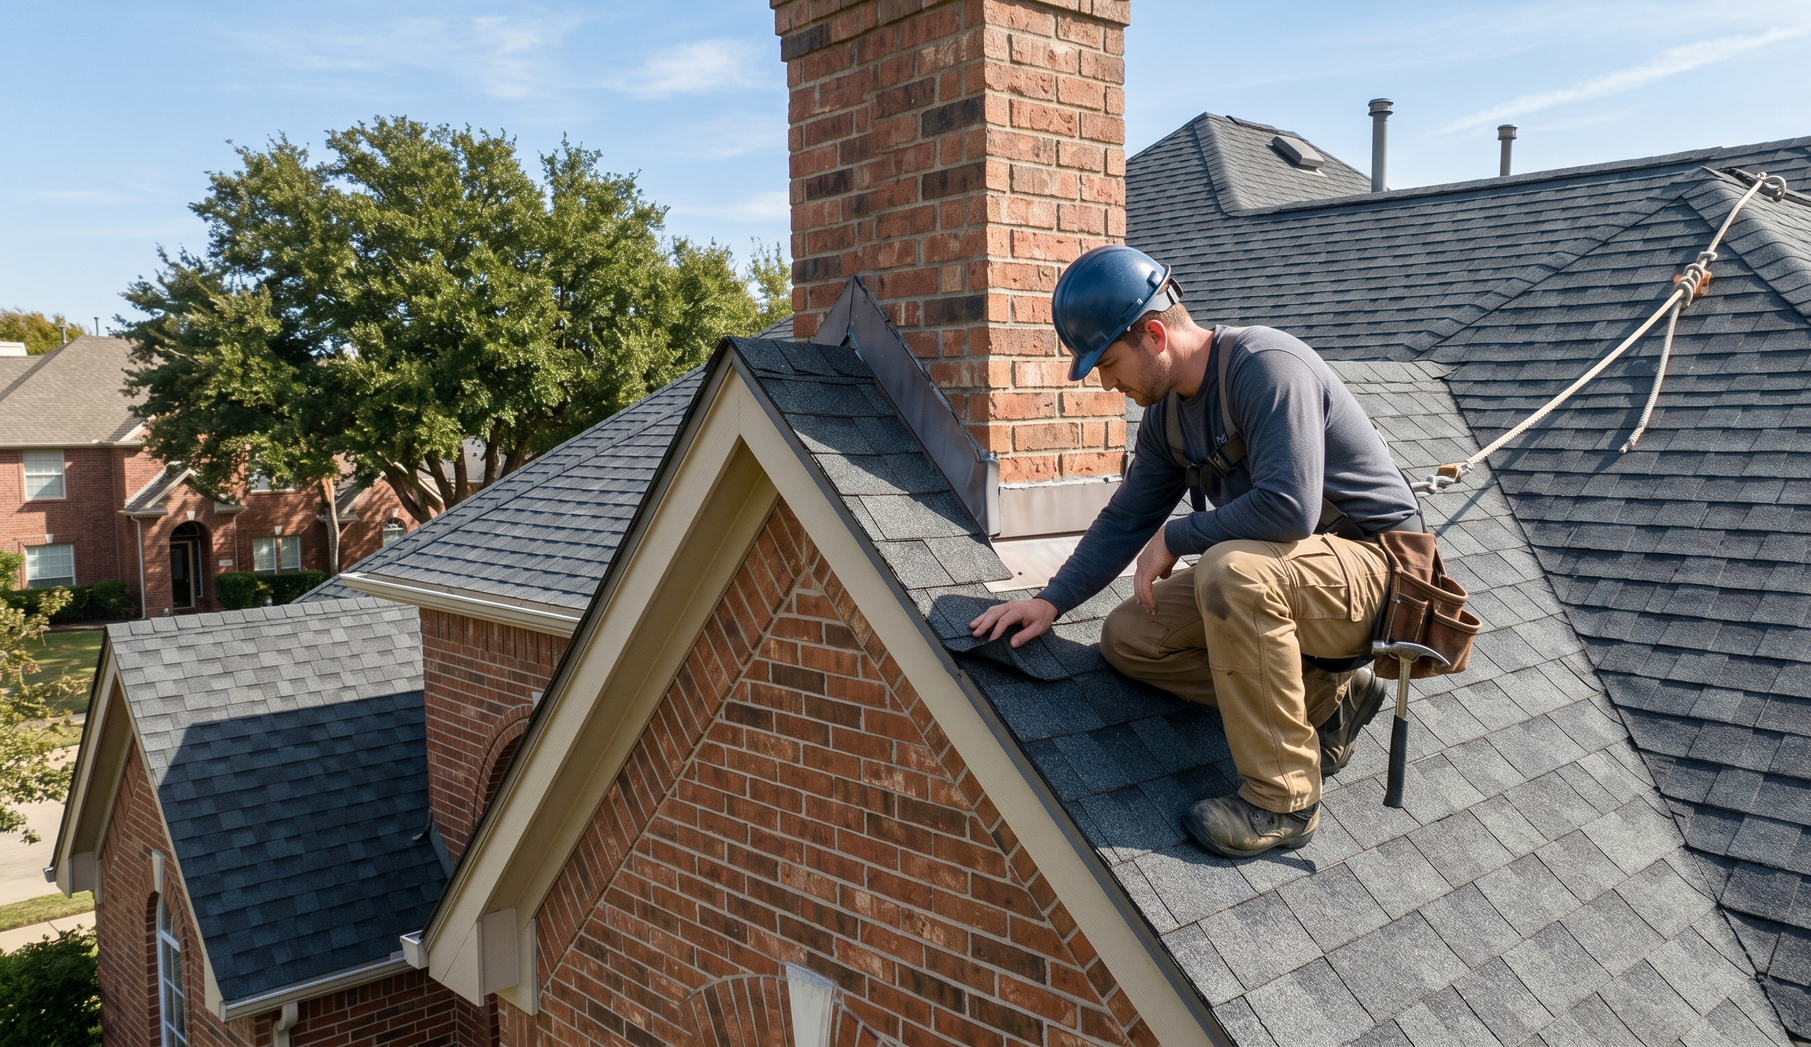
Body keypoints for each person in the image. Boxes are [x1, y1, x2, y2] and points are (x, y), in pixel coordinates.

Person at [969, 245, 1422, 859]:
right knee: (1130, 636)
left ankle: (1282, 800)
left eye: (1109, 362)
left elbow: (1290, 510)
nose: (1106, 382)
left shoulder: (1266, 366)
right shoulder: (1168, 419)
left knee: (1230, 570)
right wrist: (1051, 601)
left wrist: (1176, 538)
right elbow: (1128, 517)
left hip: (1379, 570)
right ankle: (1332, 698)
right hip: (1293, 574)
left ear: (1155, 334)